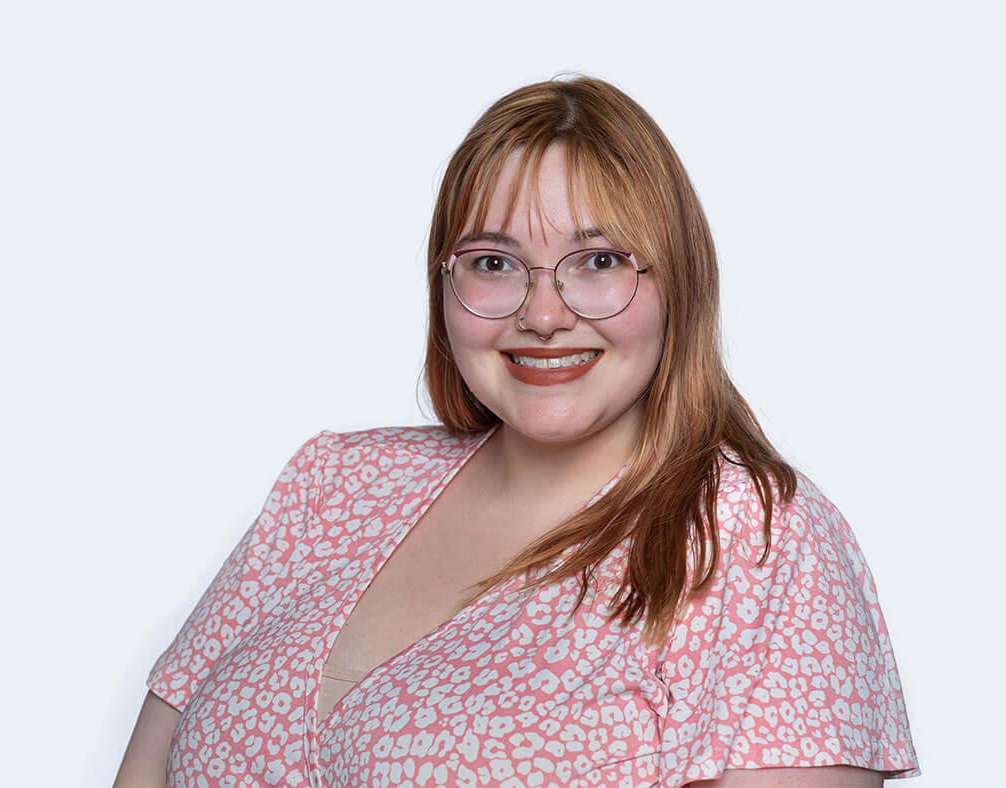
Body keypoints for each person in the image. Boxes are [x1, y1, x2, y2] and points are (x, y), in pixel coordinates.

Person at [113, 75, 919, 787]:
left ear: (677, 280)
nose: (542, 314)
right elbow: (149, 769)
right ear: (444, 284)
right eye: (494, 263)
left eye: (599, 261)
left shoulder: (757, 539)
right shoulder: (331, 488)